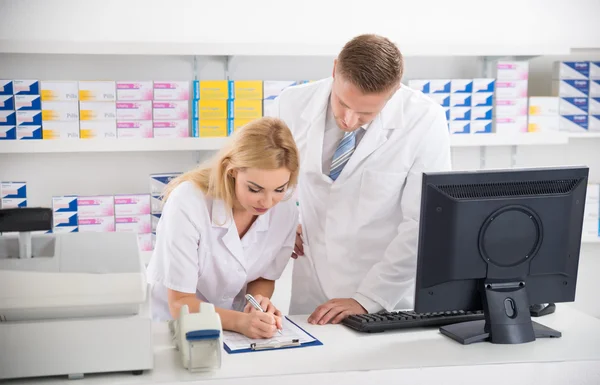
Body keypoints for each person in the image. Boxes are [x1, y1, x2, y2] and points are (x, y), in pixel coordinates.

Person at [266, 34, 451, 325]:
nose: (349, 120)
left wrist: (368, 298)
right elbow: (271, 176)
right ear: (335, 69)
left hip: (383, 293)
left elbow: (423, 224)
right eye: (342, 102)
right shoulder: (290, 104)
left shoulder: (425, 120)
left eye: (366, 113)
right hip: (312, 285)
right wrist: (281, 223)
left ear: (393, 92)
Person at [146, 117, 300, 339]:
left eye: (279, 189)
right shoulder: (189, 202)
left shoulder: (285, 211)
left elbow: (264, 276)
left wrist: (258, 304)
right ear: (232, 171)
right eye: (255, 189)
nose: (266, 202)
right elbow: (180, 302)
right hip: (171, 329)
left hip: (235, 332)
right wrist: (240, 321)